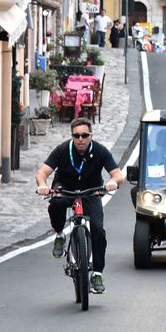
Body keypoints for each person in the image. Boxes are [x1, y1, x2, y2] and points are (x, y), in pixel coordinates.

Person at [36, 117, 125, 294]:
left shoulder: (100, 151)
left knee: (98, 229)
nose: (80, 139)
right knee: (56, 204)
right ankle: (60, 235)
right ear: (72, 136)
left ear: (91, 135)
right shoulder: (62, 150)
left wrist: (112, 182)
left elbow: (118, 175)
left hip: (91, 191)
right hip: (66, 188)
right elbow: (43, 172)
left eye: (84, 135)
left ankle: (97, 273)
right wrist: (42, 185)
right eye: (76, 136)